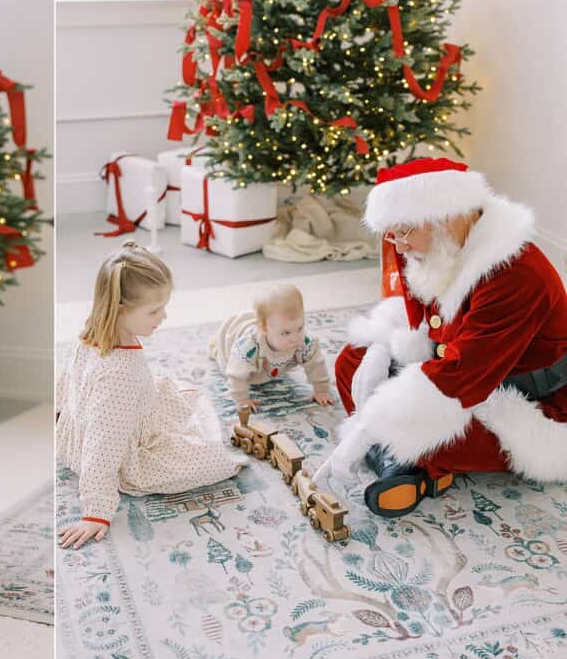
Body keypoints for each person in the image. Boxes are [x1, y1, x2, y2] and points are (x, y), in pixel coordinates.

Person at [315, 157, 567, 517]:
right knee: (352, 363)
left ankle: (406, 462)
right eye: (393, 234)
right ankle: (406, 461)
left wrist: (364, 430)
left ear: (447, 218)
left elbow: (460, 379)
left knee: (442, 435)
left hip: (522, 396)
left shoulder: (515, 274)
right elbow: (419, 322)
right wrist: (380, 352)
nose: (399, 246)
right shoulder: (435, 246)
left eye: (403, 232)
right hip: (457, 366)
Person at [56, 241, 246, 549]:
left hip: (82, 431)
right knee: (216, 459)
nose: (164, 316)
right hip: (121, 454)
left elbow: (69, 382)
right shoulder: (120, 375)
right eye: (154, 310)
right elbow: (102, 447)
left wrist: (61, 416)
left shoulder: (92, 334)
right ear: (120, 309)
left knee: (175, 391)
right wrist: (96, 511)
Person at [209, 284, 335, 415]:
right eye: (286, 333)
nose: (296, 338)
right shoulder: (247, 348)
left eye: (300, 328)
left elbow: (316, 364)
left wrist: (321, 390)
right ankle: (215, 343)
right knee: (220, 355)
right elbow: (235, 375)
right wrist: (242, 399)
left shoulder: (305, 341)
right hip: (236, 352)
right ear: (264, 329)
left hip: (269, 367)